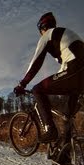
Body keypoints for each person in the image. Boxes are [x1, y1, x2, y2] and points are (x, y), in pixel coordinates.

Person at [14, 12, 84, 143]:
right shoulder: (65, 35)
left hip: (74, 69)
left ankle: (50, 129)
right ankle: (65, 155)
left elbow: (36, 63)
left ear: (42, 28)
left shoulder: (47, 35)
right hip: (80, 77)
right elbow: (63, 62)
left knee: (37, 90)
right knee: (67, 116)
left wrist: (22, 84)